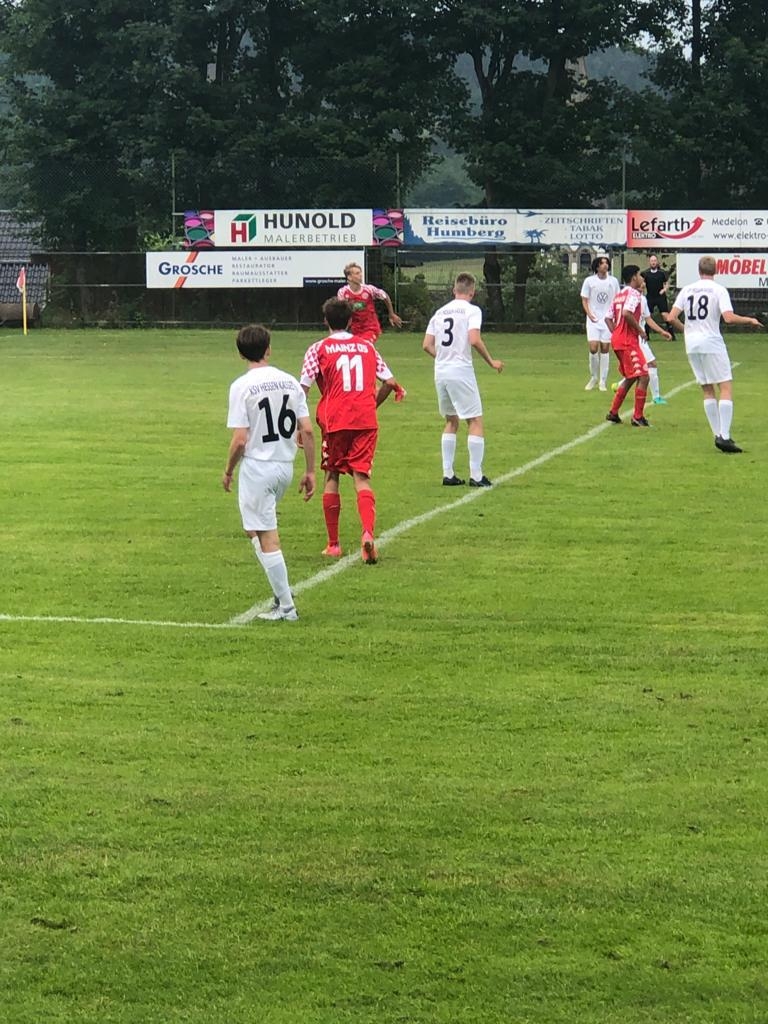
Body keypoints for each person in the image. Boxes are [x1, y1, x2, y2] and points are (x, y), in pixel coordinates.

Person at [300, 298, 406, 563]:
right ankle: (367, 533)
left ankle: (333, 544)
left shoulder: (318, 349)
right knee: (362, 477)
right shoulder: (367, 346)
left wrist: (300, 427)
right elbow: (390, 382)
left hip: (335, 420)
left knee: (332, 475)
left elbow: (302, 389)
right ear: (350, 321)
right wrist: (371, 405)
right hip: (365, 420)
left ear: (326, 320)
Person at [223, 324, 315, 622]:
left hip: (258, 468)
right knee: (254, 529)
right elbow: (307, 430)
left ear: (240, 354)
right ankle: (281, 593)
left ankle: (286, 607)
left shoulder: (241, 386)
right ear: (269, 349)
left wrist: (228, 470)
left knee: (267, 535)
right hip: (284, 466)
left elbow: (240, 439)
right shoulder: (290, 382)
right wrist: (310, 470)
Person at [665, 255, 762, 453]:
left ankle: (717, 434)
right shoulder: (718, 290)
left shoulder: (687, 289)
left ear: (699, 270)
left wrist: (688, 331)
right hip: (711, 342)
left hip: (692, 344)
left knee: (707, 389)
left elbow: (671, 317)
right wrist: (749, 320)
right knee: (725, 386)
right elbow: (728, 317)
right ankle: (724, 436)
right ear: (715, 270)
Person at [422, 272, 504, 487]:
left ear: (454, 290)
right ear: (472, 292)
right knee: (475, 420)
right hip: (460, 370)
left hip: (441, 371)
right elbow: (474, 339)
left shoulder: (439, 312)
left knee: (451, 420)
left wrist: (443, 357)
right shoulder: (472, 310)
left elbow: (426, 344)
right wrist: (491, 361)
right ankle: (476, 475)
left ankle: (448, 473)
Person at [604, 264, 652, 427]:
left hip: (618, 340)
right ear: (634, 278)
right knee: (644, 376)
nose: (642, 278)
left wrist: (616, 333)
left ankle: (613, 413)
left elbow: (608, 317)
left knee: (631, 377)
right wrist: (640, 330)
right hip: (627, 341)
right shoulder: (634, 294)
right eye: (640, 275)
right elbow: (626, 313)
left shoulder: (619, 295)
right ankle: (638, 416)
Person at [613, 281, 673, 403]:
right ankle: (656, 397)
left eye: (644, 282)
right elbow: (623, 315)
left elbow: (648, 319)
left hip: (638, 337)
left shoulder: (642, 299)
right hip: (634, 337)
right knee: (650, 364)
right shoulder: (632, 298)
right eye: (641, 281)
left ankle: (619, 386)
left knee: (639, 369)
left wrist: (662, 331)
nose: (643, 284)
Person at [580, 255, 620, 391]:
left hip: (607, 320)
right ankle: (594, 377)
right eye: (602, 263)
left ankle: (603, 381)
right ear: (597, 267)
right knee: (593, 348)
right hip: (593, 319)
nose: (605, 265)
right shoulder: (589, 281)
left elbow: (617, 299)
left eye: (606, 263)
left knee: (605, 348)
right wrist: (589, 314)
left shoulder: (613, 281)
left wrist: (616, 317)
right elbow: (584, 300)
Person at [336, 261, 403, 343]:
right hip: (354, 329)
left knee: (364, 345)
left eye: (360, 273)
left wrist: (391, 314)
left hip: (370, 327)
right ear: (349, 277)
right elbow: (341, 310)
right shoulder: (343, 292)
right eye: (357, 273)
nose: (360, 275)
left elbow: (385, 296)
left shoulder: (369, 289)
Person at [641, 254, 676, 339]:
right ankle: (647, 335)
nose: (653, 262)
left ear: (657, 262)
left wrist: (664, 290)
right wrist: (642, 288)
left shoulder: (662, 273)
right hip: (650, 297)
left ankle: (671, 334)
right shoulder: (645, 273)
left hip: (660, 297)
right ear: (649, 262)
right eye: (652, 261)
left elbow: (667, 284)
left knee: (665, 315)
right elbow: (642, 284)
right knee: (647, 315)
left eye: (654, 261)